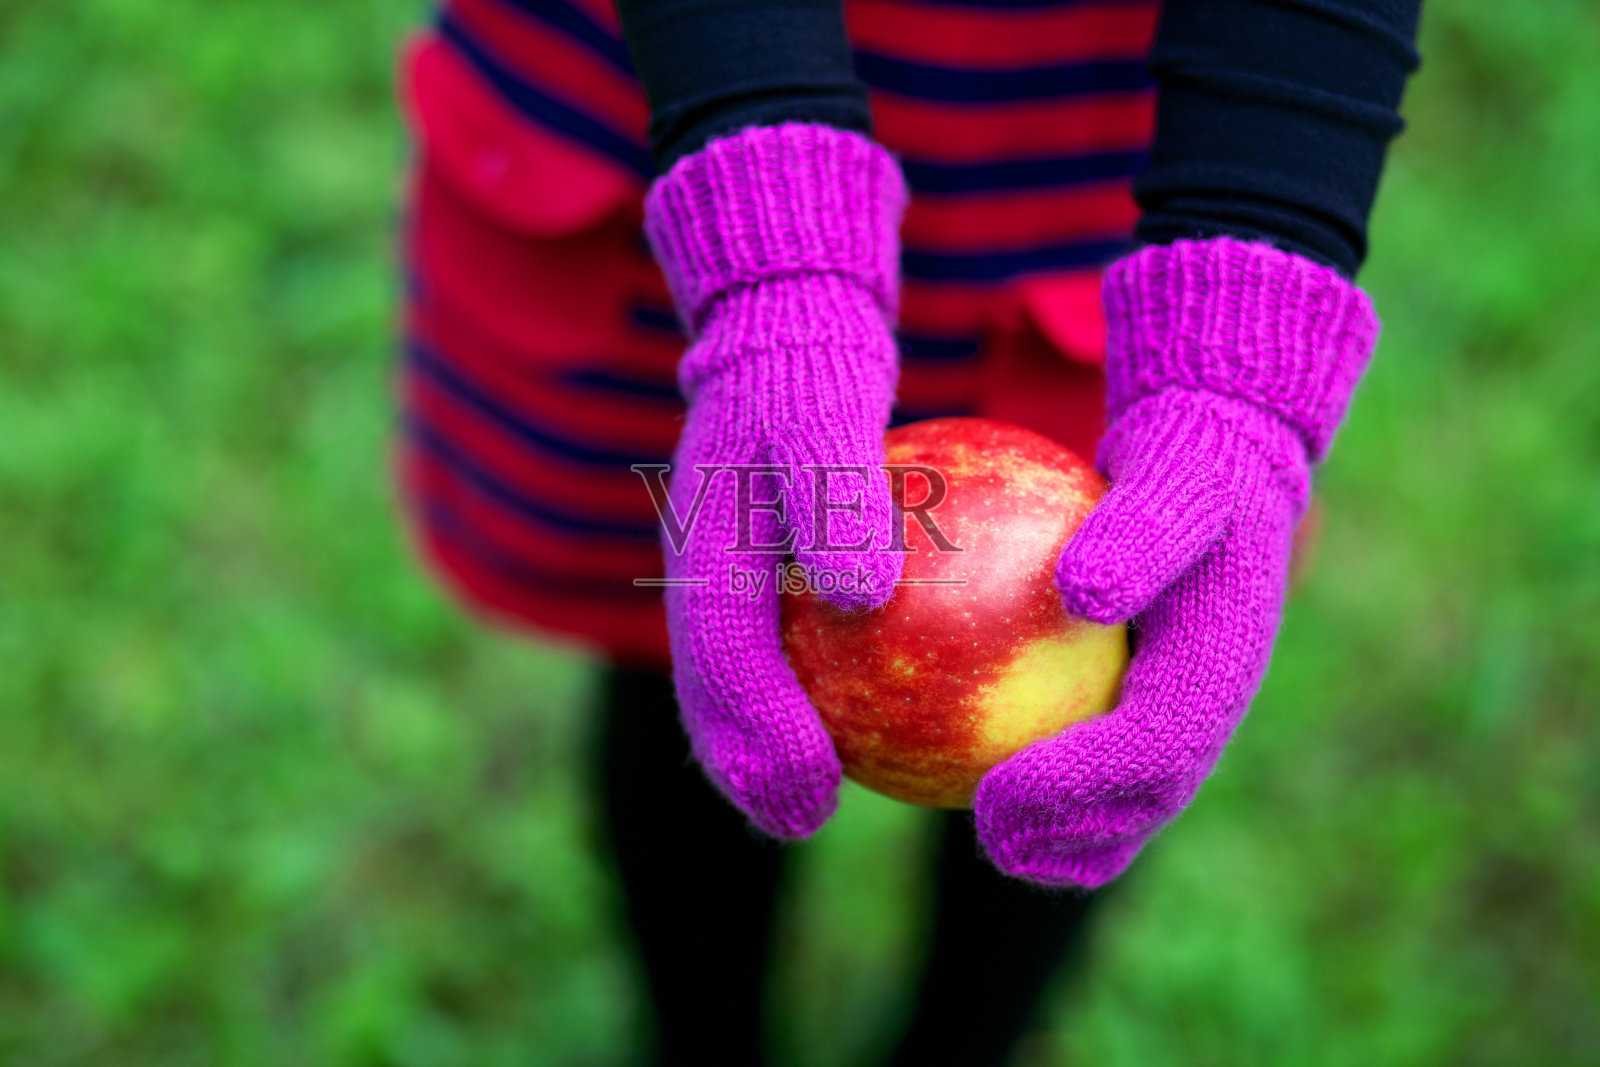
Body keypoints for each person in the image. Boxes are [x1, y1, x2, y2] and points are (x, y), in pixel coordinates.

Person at [394, 0, 1422, 1061]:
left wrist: (1249, 264)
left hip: (1104, 166)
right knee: (696, 637)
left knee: (1087, 728)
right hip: (692, 105)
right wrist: (767, 221)